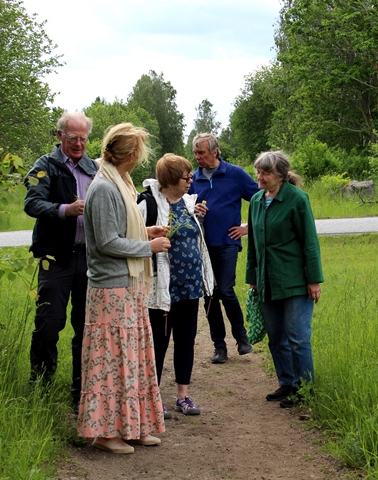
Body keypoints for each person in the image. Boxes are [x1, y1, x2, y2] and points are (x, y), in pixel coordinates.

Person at [77, 123, 171, 454]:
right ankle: (105, 433)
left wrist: (146, 232)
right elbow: (106, 242)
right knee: (111, 361)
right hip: (109, 291)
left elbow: (121, 231)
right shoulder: (103, 188)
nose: (139, 159)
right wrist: (150, 247)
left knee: (131, 359)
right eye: (139, 153)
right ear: (130, 155)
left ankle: (134, 425)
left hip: (128, 286)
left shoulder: (122, 183)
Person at [24, 112, 98, 412]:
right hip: (55, 258)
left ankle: (80, 391)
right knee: (49, 324)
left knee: (86, 327)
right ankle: (40, 387)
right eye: (72, 138)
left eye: (83, 138)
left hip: (88, 258)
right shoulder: (45, 165)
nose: (79, 144)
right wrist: (65, 209)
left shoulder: (95, 168)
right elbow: (32, 203)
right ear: (59, 137)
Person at [138, 154, 214, 419]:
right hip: (161, 288)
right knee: (158, 343)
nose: (190, 181)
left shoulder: (188, 202)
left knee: (186, 340)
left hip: (189, 285)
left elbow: (194, 238)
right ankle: (153, 399)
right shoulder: (147, 203)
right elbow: (133, 237)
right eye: (186, 177)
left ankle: (183, 396)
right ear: (170, 179)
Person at [245, 151, 323, 408]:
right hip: (267, 280)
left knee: (298, 337)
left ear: (280, 175)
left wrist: (314, 280)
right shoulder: (256, 200)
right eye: (258, 171)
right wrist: (252, 278)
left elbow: (310, 242)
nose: (259, 176)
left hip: (295, 282)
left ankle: (305, 388)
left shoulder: (297, 199)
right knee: (276, 336)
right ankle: (287, 382)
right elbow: (254, 244)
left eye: (265, 172)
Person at [189, 133, 259, 364]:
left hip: (228, 243)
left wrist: (247, 228)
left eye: (201, 152)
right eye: (196, 153)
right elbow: (181, 210)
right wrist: (193, 210)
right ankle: (219, 346)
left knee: (226, 290)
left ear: (214, 152)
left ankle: (241, 337)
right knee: (210, 295)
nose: (197, 157)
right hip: (202, 245)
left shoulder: (234, 174)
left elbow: (260, 199)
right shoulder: (193, 180)